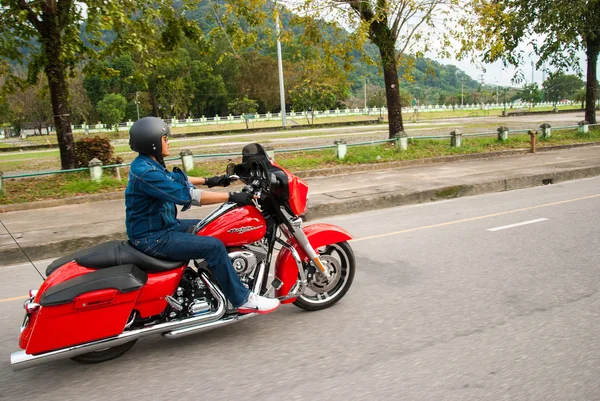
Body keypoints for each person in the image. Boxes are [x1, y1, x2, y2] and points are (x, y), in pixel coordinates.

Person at [125, 116, 279, 314]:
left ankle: (214, 281)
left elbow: (175, 179)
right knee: (213, 246)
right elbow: (188, 196)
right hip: (154, 237)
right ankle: (242, 299)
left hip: (162, 226)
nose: (168, 141)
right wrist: (233, 196)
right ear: (152, 143)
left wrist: (213, 180)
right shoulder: (147, 173)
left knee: (211, 226)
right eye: (165, 138)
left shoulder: (147, 164)